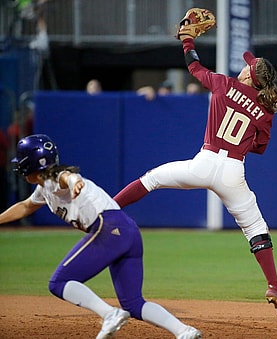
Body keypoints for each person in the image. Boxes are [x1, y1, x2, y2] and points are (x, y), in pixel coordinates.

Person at [113, 25, 277, 314]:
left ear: (249, 75)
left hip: (204, 162)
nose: (244, 68)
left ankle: (108, 209)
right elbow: (259, 148)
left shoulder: (224, 84)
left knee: (152, 179)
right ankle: (272, 285)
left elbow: (193, 67)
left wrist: (187, 40)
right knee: (256, 229)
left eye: (247, 67)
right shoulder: (266, 110)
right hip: (234, 171)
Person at [0, 134, 202, 339]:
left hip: (109, 228)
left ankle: (109, 314)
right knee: (133, 303)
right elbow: (25, 206)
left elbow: (66, 175)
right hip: (128, 231)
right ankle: (184, 331)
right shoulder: (43, 189)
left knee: (58, 283)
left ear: (30, 164)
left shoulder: (52, 178)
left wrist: (74, 181)